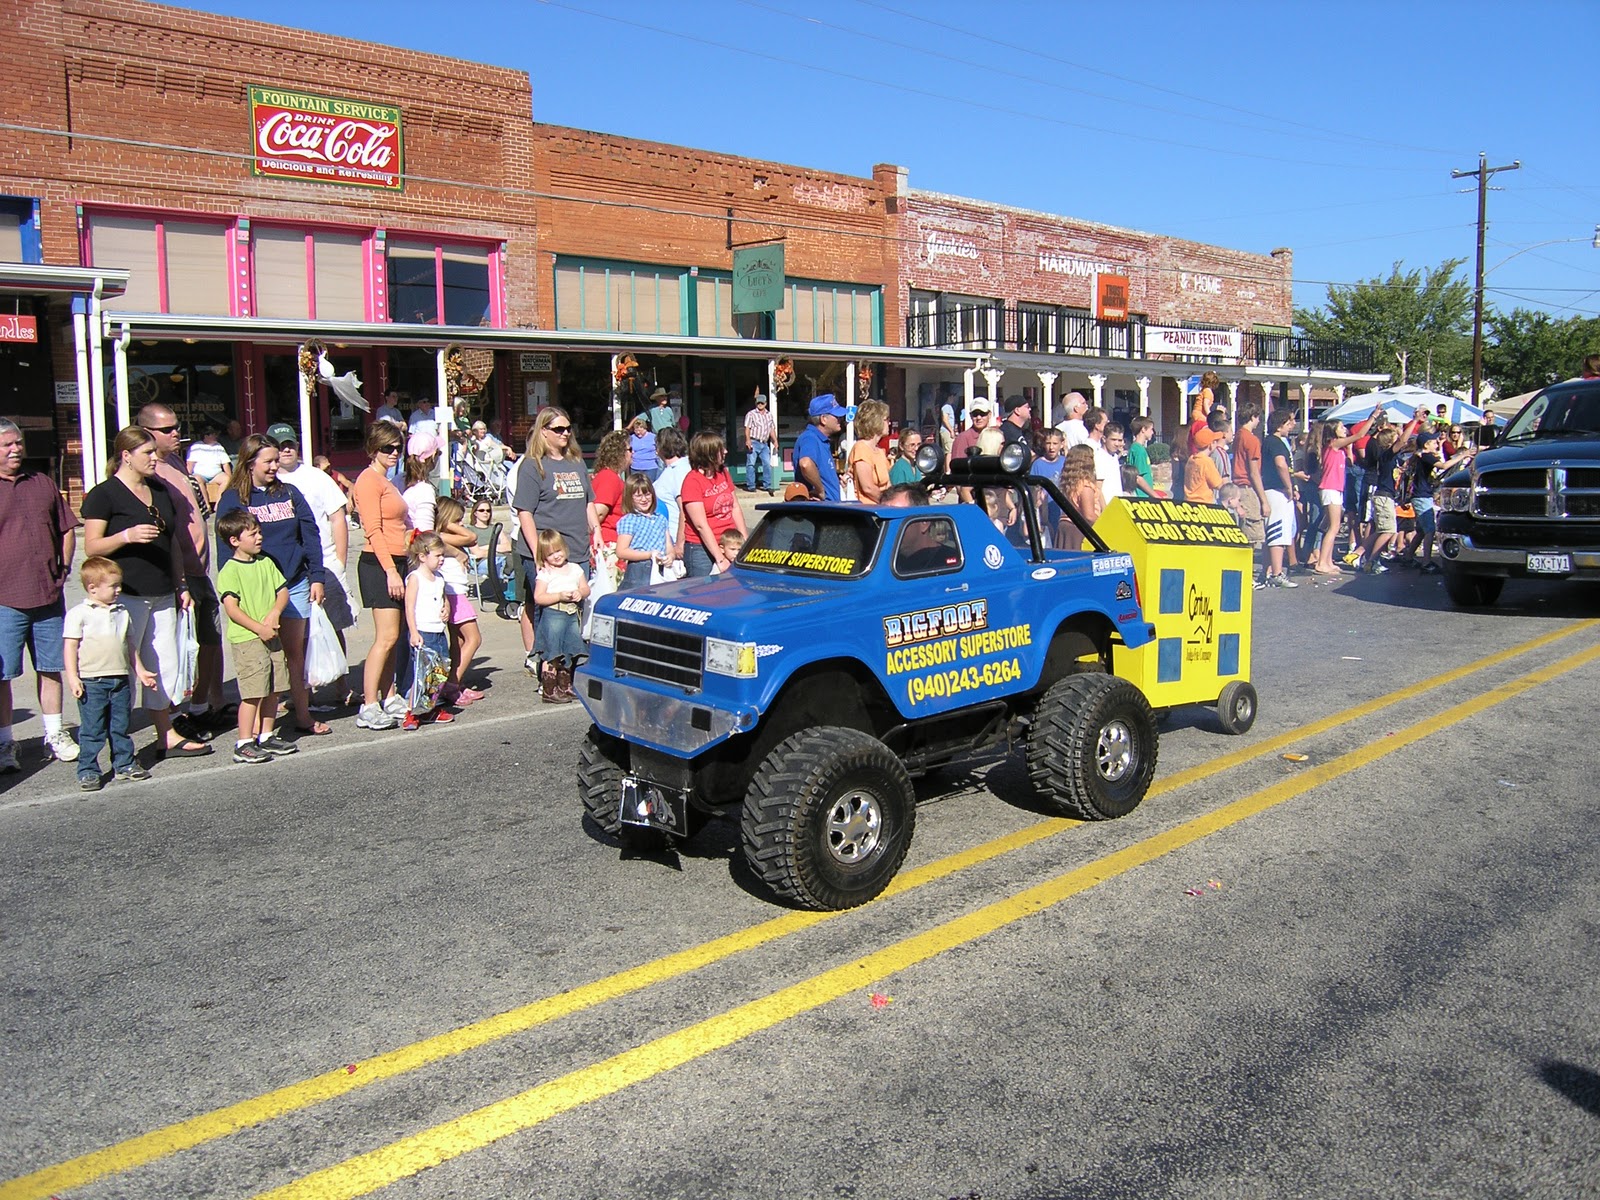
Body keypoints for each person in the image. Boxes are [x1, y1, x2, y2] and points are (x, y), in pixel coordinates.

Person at [79, 426, 211, 761]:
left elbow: (172, 544)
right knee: (120, 670)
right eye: (147, 453)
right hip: (124, 594)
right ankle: (114, 746)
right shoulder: (104, 494)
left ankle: (165, 735)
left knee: (162, 667)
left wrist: (181, 584)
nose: (155, 458)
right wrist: (125, 536)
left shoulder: (160, 490)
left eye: (155, 452)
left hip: (163, 590)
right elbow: (91, 547)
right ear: (126, 456)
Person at [215, 435, 329, 738]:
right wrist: (231, 588)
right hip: (256, 589)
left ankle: (302, 715)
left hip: (293, 583)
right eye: (268, 461)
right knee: (262, 655)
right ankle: (256, 726)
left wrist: (317, 575)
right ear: (250, 462)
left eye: (277, 460)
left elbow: (310, 534)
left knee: (293, 654)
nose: (275, 466)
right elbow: (226, 547)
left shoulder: (289, 493)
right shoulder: (234, 498)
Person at [139, 404, 226, 742]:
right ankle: (175, 715)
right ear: (146, 431)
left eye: (177, 427)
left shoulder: (174, 461)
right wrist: (179, 580)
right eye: (168, 429)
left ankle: (202, 707)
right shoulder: (149, 471)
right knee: (178, 649)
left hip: (200, 570)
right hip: (180, 575)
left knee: (208, 641)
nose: (176, 433)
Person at [0, 417, 80, 771]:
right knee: (3, 674)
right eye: (7, 445)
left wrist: (63, 568)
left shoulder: (42, 483)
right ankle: (5, 743)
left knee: (50, 668)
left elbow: (66, 529)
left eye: (18, 443)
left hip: (48, 595)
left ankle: (54, 733)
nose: (16, 449)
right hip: (5, 599)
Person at [271, 427, 356, 704]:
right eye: (280, 445)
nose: (286, 450)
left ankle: (342, 686)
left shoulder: (316, 477)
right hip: (286, 568)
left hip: (324, 561)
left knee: (333, 625)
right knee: (294, 632)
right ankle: (299, 692)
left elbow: (337, 517)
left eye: (290, 444)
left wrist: (340, 561)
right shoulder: (267, 480)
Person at [512, 407, 598, 675]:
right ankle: (548, 673)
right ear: (544, 431)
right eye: (558, 429)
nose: (565, 433)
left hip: (578, 549)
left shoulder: (576, 461)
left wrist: (597, 533)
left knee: (574, 611)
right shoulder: (532, 465)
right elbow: (524, 512)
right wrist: (538, 552)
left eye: (568, 428)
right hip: (546, 551)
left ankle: (569, 670)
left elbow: (589, 502)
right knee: (551, 615)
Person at [214, 509, 299, 764]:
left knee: (275, 687)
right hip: (248, 639)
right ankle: (244, 741)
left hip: (271, 634)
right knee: (253, 691)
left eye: (259, 532)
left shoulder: (266, 562)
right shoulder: (230, 570)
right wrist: (258, 627)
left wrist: (274, 613)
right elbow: (232, 608)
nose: (259, 537)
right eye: (252, 534)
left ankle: (266, 734)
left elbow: (282, 591)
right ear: (235, 541)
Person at [63, 556, 153, 789]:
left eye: (119, 584)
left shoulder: (121, 612)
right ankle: (88, 769)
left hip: (120, 678)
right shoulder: (80, 613)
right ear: (92, 588)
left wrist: (140, 671)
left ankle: (124, 764)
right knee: (92, 729)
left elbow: (130, 645)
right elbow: (70, 646)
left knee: (120, 725)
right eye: (113, 586)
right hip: (92, 681)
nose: (119, 590)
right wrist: (73, 677)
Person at [351, 422, 411, 731]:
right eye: (387, 448)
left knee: (394, 637)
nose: (394, 452)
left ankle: (389, 696)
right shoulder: (368, 480)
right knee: (385, 637)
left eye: (397, 447)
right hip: (378, 563)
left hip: (396, 561)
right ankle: (369, 703)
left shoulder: (388, 481)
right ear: (373, 449)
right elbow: (372, 529)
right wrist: (390, 570)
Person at [431, 496, 485, 707]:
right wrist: (448, 524)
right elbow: (471, 536)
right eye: (457, 520)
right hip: (454, 594)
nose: (461, 525)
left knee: (459, 642)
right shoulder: (441, 537)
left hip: (456, 592)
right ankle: (451, 683)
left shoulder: (446, 538)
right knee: (474, 639)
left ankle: (457, 681)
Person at [399, 531, 455, 731]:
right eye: (437, 555)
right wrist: (413, 632)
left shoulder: (439, 578)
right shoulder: (415, 578)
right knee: (421, 673)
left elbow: (443, 598)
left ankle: (430, 706)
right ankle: (411, 711)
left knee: (438, 671)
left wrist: (446, 608)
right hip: (423, 631)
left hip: (438, 630)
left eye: (442, 555)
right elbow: (409, 606)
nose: (441, 559)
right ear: (422, 556)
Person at [532, 527, 588, 705]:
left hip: (571, 614)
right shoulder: (546, 573)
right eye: (550, 554)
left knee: (569, 649)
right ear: (543, 557)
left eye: (558, 551)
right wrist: (558, 596)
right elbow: (538, 597)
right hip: (553, 614)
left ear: (565, 548)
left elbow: (586, 588)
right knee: (552, 652)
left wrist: (581, 593)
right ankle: (549, 688)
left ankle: (566, 684)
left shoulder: (574, 568)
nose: (556, 556)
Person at [679, 430, 747, 576]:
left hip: (729, 542)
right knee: (703, 593)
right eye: (720, 449)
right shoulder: (692, 481)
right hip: (701, 548)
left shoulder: (723, 473)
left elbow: (734, 507)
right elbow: (700, 525)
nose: (726, 451)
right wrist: (720, 559)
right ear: (708, 454)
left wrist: (745, 541)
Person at [1261, 408, 1301, 588]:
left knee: (1280, 533)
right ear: (1279, 425)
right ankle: (1277, 573)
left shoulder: (1274, 441)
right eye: (1289, 422)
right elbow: (1281, 464)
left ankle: (1268, 571)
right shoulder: (1275, 442)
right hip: (1277, 491)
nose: (1292, 425)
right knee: (1278, 533)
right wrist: (1288, 486)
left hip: (1276, 489)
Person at [615, 473, 673, 591]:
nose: (644, 499)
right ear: (630, 498)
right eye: (638, 496)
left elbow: (669, 546)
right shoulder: (629, 520)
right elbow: (621, 551)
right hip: (638, 571)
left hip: (660, 570)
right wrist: (649, 555)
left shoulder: (660, 519)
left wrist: (670, 557)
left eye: (647, 494)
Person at [1229, 402, 1269, 553]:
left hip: (1237, 486)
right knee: (1251, 535)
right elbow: (1254, 472)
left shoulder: (1238, 436)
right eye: (1258, 418)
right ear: (1253, 417)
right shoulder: (1252, 440)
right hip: (1247, 487)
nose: (1259, 421)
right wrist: (1264, 501)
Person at [794, 395, 846, 501]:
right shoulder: (810, 438)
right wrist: (820, 490)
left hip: (829, 508)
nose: (840, 419)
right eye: (836, 416)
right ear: (823, 419)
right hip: (821, 511)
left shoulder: (820, 439)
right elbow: (805, 464)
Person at [590, 428, 633, 548]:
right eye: (630, 449)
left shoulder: (611, 476)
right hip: (608, 544)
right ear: (619, 453)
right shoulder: (609, 478)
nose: (632, 453)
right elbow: (598, 514)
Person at [1057, 445, 1103, 552]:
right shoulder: (1085, 486)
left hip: (1064, 526)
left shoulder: (1068, 484)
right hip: (1078, 530)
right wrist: (1103, 526)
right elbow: (1089, 515)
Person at [653, 428, 691, 548]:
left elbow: (685, 508)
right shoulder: (681, 466)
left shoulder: (678, 471)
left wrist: (680, 543)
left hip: (676, 540)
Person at [848, 400, 891, 504]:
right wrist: (887, 503)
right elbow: (867, 487)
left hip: (883, 509)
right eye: (886, 419)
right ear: (876, 421)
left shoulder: (880, 451)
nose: (889, 423)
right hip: (868, 511)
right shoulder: (861, 448)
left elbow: (888, 485)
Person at [400, 432, 440, 531]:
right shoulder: (424, 490)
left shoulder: (397, 480)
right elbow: (425, 532)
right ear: (433, 456)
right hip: (416, 543)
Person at [186, 424, 232, 506]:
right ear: (206, 436)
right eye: (213, 434)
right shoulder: (196, 446)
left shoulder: (219, 447)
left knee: (226, 479)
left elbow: (225, 463)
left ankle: (219, 504)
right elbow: (190, 463)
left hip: (216, 475)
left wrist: (230, 478)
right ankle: (206, 505)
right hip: (200, 475)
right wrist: (187, 476)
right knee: (197, 479)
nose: (215, 436)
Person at [1085, 408, 1123, 507]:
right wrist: (1104, 509)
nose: (1117, 443)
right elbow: (1098, 487)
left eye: (1120, 440)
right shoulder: (1099, 457)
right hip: (1106, 507)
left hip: (1117, 504)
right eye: (1114, 440)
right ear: (1104, 439)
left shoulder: (1114, 456)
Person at [743, 391, 778, 494]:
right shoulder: (751, 414)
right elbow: (747, 428)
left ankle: (767, 485)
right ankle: (751, 486)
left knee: (767, 463)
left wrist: (775, 441)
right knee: (751, 464)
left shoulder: (769, 415)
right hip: (754, 441)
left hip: (764, 443)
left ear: (766, 403)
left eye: (762, 403)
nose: (760, 405)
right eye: (758, 403)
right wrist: (748, 440)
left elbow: (771, 429)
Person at [1126, 416, 1164, 498]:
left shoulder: (1134, 448)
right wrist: (1155, 495)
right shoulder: (1139, 450)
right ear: (1143, 429)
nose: (1152, 432)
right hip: (1142, 495)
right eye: (1151, 429)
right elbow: (1138, 478)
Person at [998, 395, 1034, 470]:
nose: (1030, 409)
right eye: (1027, 407)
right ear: (1017, 410)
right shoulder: (1008, 431)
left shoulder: (1020, 431)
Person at [627, 413, 660, 484]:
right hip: (635, 467)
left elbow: (659, 448)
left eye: (641, 430)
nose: (638, 433)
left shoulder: (653, 437)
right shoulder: (632, 438)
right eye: (636, 431)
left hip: (650, 467)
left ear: (645, 429)